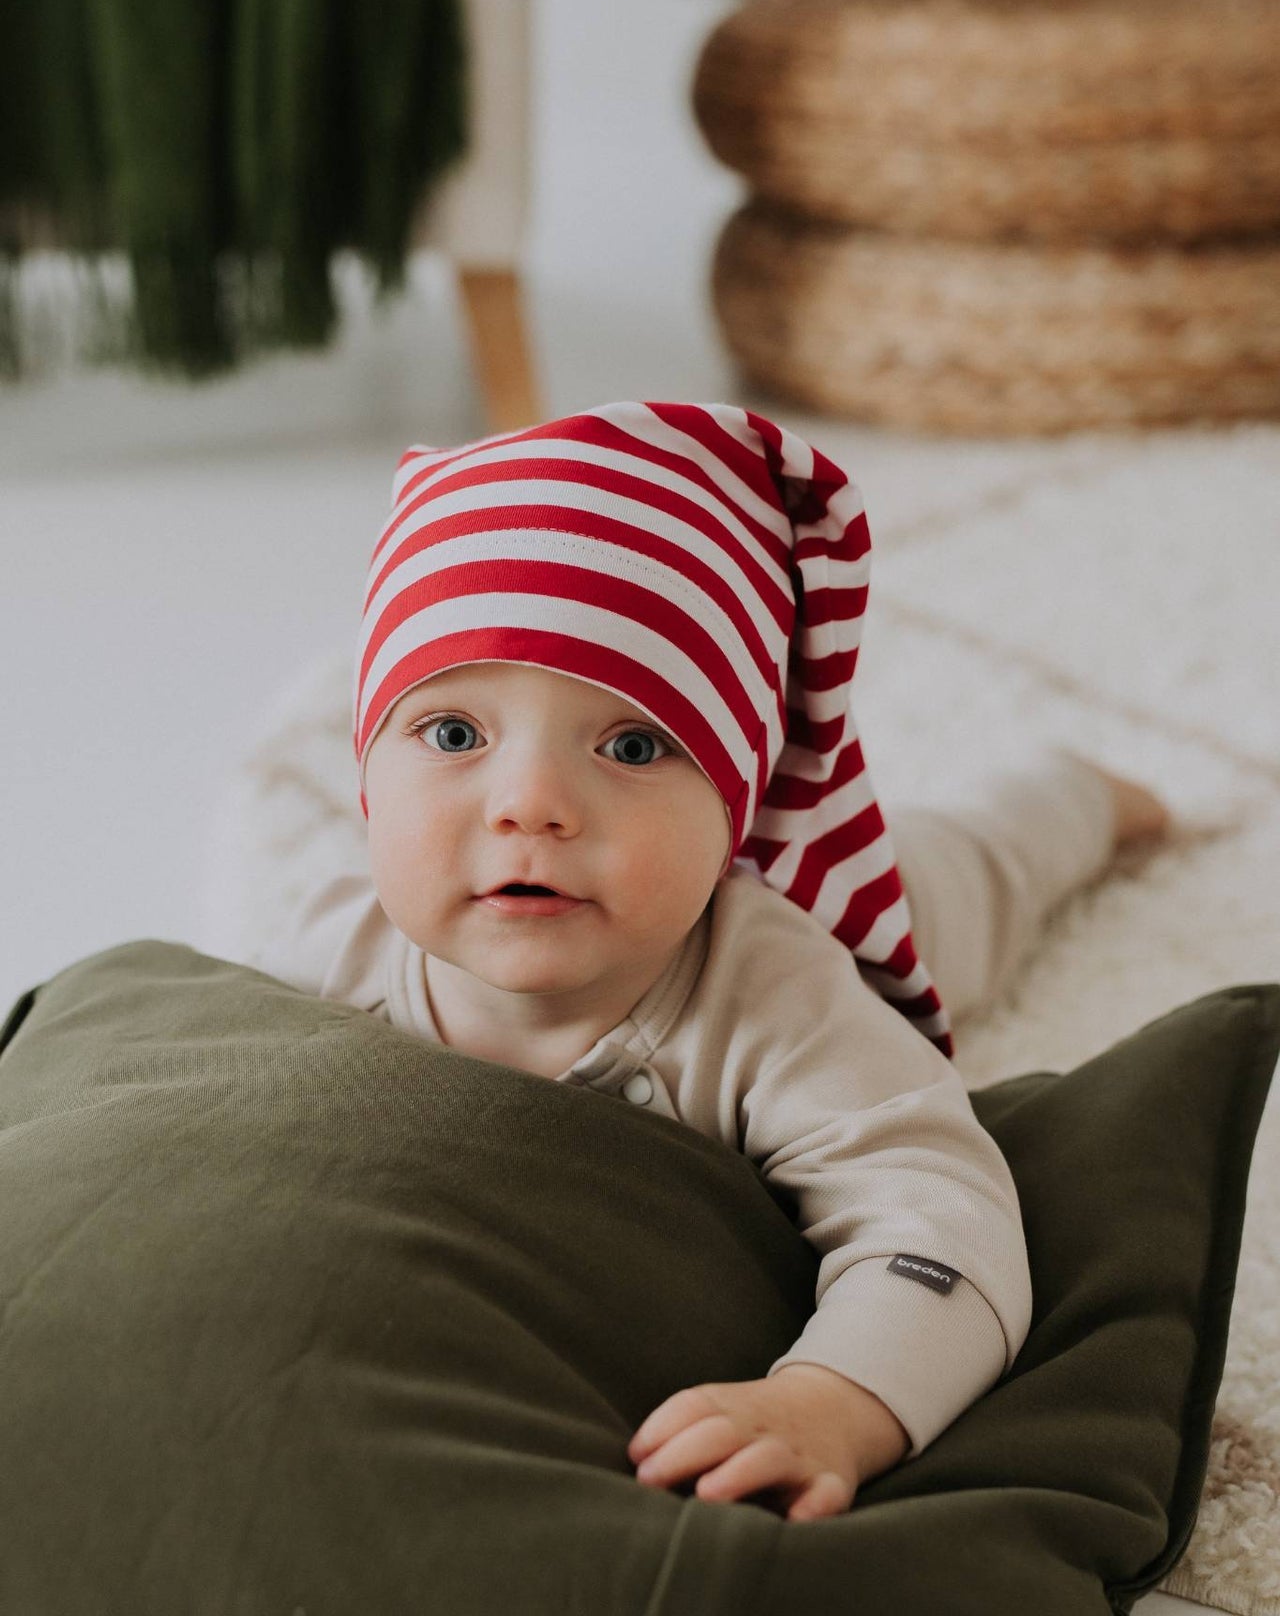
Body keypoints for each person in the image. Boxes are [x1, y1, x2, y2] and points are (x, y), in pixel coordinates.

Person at [246, 399, 1171, 1527]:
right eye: (452, 735)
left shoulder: (784, 1001)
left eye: (632, 744)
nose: (528, 805)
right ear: (365, 775)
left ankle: (1067, 793)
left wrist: (827, 1401)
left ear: (735, 802)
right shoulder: (314, 956)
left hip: (856, 913)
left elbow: (941, 1225)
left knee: (971, 868)